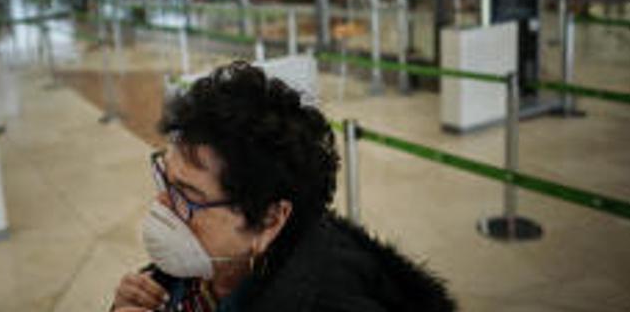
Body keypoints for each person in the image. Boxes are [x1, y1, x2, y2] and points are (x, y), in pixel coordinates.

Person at [112, 62, 454, 311]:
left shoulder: (328, 298)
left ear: (270, 219)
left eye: (188, 195)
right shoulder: (199, 266)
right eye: (165, 181)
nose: (161, 204)